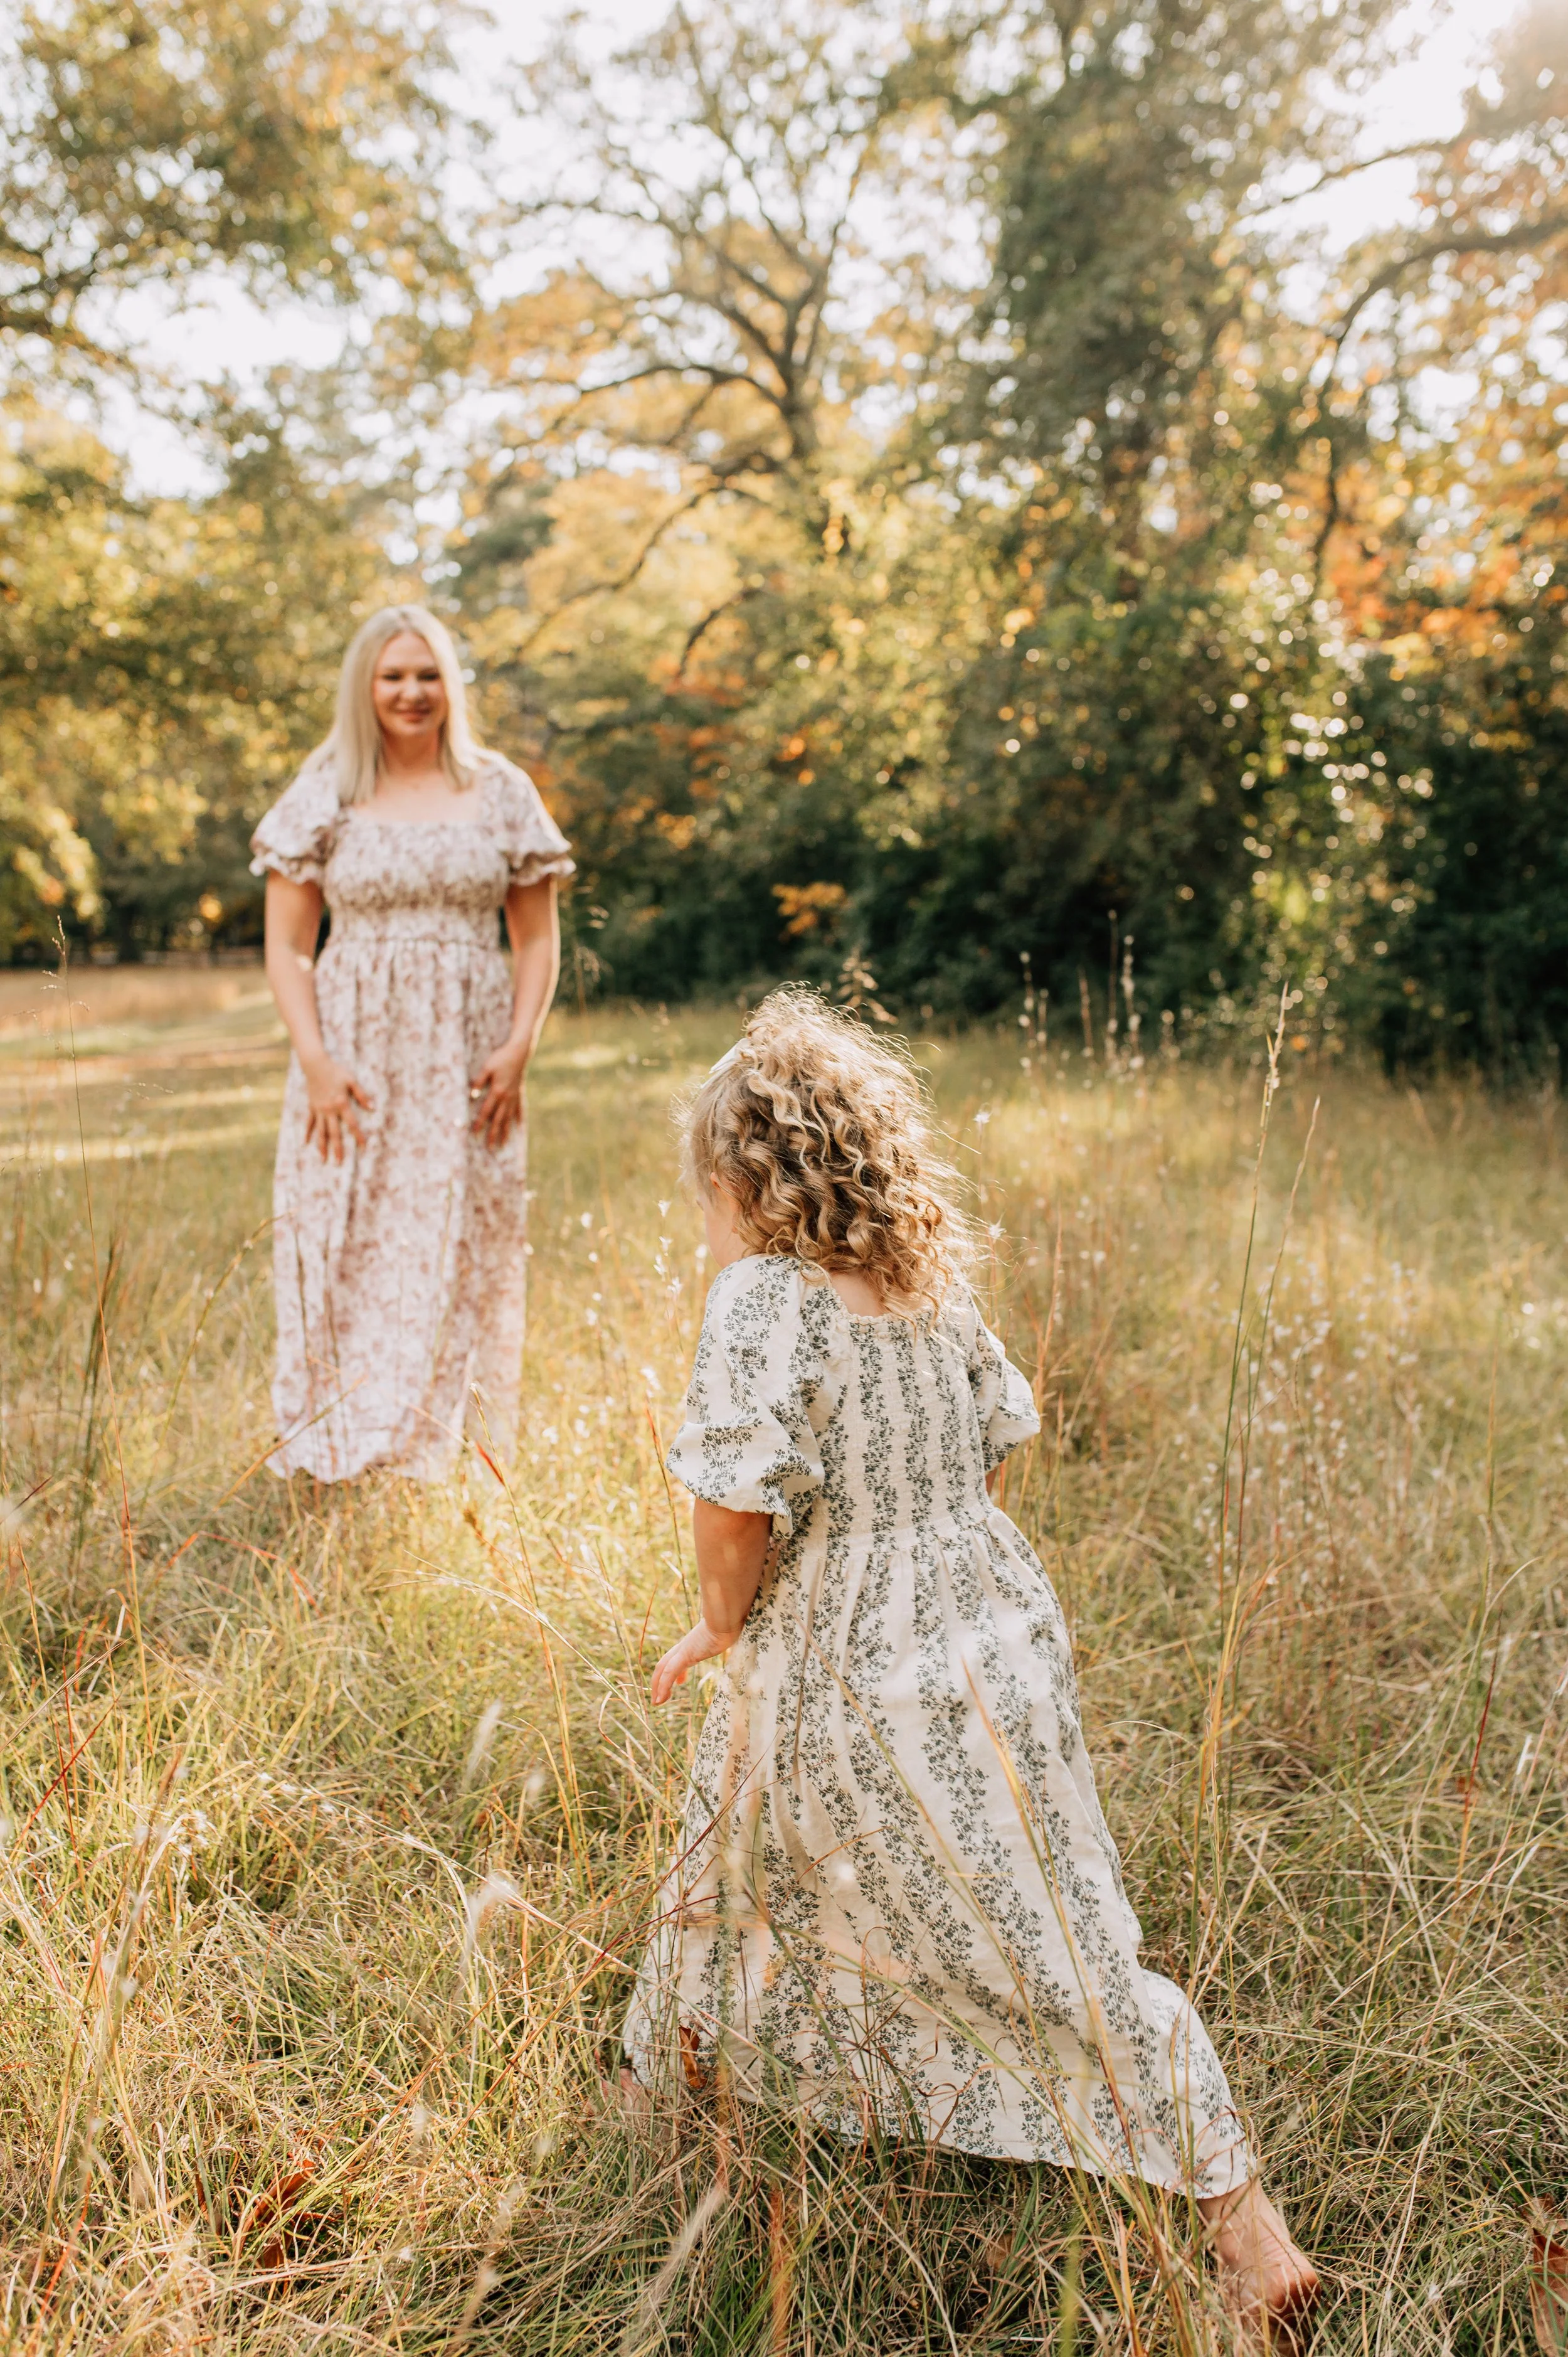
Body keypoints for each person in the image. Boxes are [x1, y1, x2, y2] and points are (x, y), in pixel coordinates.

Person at [624, 990, 1319, 2336]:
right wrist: (933, 1542)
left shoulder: (765, 1301)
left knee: (750, 1874)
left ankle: (1238, 2229)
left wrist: (723, 1620)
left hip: (843, 1646)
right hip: (984, 1624)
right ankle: (681, 2107)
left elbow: (732, 1502)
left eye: (707, 1194)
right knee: (1029, 1900)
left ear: (745, 1183)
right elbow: (996, 1440)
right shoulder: (924, 1284)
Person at [249, 604, 573, 1481]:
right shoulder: (328, 784)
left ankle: (441, 1447)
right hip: (350, 1058)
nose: (411, 692)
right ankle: (334, 1439)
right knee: (341, 1230)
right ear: (366, 685)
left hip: (469, 1059)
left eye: (427, 674)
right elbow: (287, 943)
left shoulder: (500, 788)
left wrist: (520, 1045)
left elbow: (536, 937)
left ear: (450, 686)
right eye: (392, 675)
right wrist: (316, 1062)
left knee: (461, 1231)